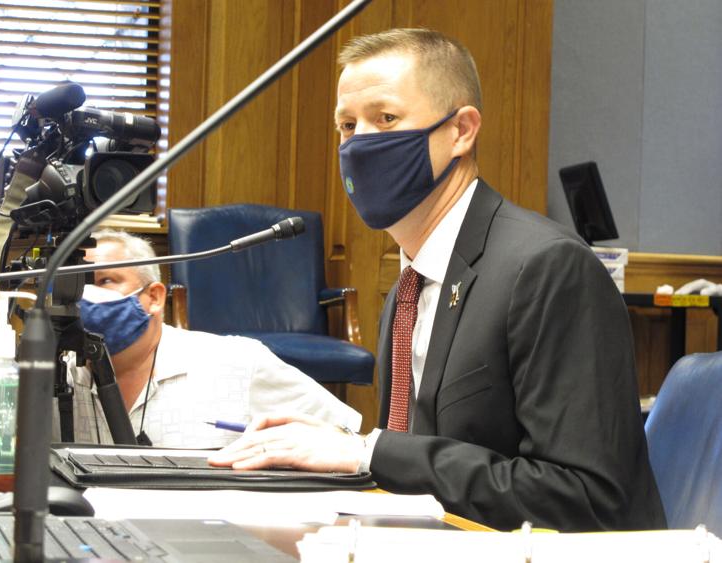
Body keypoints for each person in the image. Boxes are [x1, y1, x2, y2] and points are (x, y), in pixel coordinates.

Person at [209, 28, 667, 532]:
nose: (360, 143)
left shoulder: (548, 268)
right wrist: (333, 456)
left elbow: (583, 497)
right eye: (347, 125)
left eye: (385, 118)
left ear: (461, 131)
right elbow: (418, 469)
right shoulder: (408, 289)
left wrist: (367, 452)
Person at [52, 229, 361, 448]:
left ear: (154, 297)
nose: (88, 296)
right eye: (78, 285)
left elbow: (347, 436)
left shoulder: (238, 362)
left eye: (106, 280)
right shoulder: (53, 377)